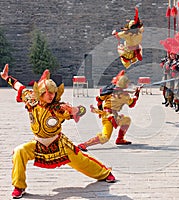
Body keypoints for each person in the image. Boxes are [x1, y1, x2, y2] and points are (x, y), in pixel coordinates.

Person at [0, 64, 116, 199]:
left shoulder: (58, 108)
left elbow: (81, 110)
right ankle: (19, 186)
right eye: (47, 92)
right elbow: (19, 86)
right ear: (40, 93)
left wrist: (75, 111)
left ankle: (105, 173)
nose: (51, 95)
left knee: (82, 161)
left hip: (59, 145)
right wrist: (6, 77)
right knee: (20, 151)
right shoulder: (30, 99)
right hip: (38, 144)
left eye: (53, 92)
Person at [78, 70, 141, 152]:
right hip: (110, 117)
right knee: (105, 137)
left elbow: (99, 100)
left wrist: (100, 110)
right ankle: (84, 145)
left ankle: (120, 139)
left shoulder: (109, 92)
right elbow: (132, 104)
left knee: (126, 120)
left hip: (107, 115)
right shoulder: (124, 95)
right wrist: (137, 94)